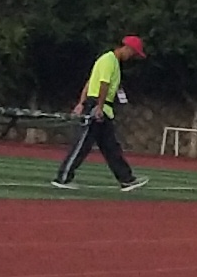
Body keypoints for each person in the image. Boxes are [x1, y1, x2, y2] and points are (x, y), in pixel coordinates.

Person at [54, 32, 147, 194]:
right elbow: (103, 84)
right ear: (127, 48)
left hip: (102, 108)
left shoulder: (113, 62)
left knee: (111, 146)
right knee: (83, 144)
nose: (132, 57)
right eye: (133, 53)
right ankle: (62, 177)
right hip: (97, 106)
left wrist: (82, 102)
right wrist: (98, 106)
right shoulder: (108, 60)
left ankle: (126, 179)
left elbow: (90, 82)